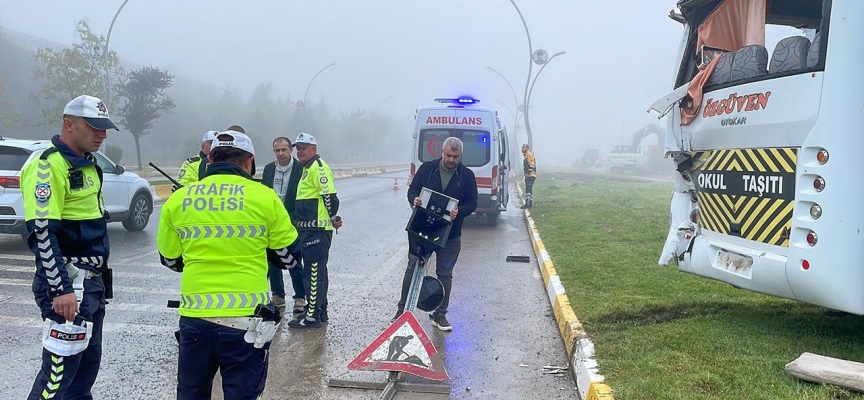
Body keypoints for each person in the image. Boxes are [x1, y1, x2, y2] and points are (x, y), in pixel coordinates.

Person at [157, 130, 301, 399]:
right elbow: (289, 257)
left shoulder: (179, 200)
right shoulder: (265, 197)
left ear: (210, 158)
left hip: (195, 321)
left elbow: (170, 259)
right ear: (249, 162)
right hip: (246, 321)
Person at [22, 95, 119, 399]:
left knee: (83, 374)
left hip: (90, 285)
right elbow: (42, 233)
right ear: (68, 124)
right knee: (56, 380)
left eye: (105, 129)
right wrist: (61, 288)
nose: (102, 135)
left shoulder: (86, 164)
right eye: (94, 128)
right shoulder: (49, 165)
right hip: (68, 285)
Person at [393, 137, 477, 331]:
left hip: (451, 234)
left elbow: (472, 202)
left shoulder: (466, 176)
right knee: (412, 268)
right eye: (448, 155)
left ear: (460, 156)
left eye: (455, 157)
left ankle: (440, 314)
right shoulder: (427, 169)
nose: (451, 159)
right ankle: (402, 310)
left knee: (445, 274)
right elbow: (413, 189)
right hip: (422, 230)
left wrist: (459, 212)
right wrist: (414, 199)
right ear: (442, 152)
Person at [287, 132, 342, 329]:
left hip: (316, 230)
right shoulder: (306, 168)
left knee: (312, 272)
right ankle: (320, 310)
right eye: (298, 148)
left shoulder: (318, 168)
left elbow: (329, 197)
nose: (300, 151)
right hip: (309, 229)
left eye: (304, 147)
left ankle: (311, 315)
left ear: (314, 149)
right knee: (318, 271)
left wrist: (333, 218)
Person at [261, 136, 306, 317]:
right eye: (277, 150)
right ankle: (278, 296)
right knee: (273, 260)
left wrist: (295, 218)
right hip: (271, 222)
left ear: (291, 150)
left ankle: (300, 297)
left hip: (292, 222)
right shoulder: (268, 169)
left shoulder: (300, 169)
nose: (280, 153)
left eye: (284, 150)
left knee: (294, 261)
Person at [521, 143, 537, 209]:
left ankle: (528, 204)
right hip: (528, 175)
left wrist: (528, 173)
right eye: (522, 147)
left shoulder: (529, 155)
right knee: (528, 189)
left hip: (531, 175)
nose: (522, 149)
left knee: (529, 189)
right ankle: (528, 203)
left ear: (527, 148)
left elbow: (532, 165)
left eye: (523, 147)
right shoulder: (525, 156)